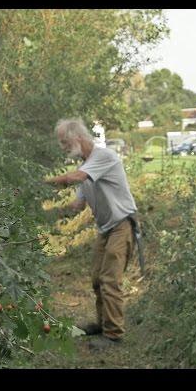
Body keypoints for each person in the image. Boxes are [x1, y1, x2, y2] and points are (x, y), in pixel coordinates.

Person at [45, 118, 137, 351]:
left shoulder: (101, 157)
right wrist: (51, 214)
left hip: (121, 225)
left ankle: (114, 335)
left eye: (65, 141)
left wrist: (40, 183)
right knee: (97, 279)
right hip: (105, 228)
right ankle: (102, 323)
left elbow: (75, 178)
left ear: (78, 137)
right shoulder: (87, 165)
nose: (63, 147)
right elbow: (78, 205)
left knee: (110, 280)